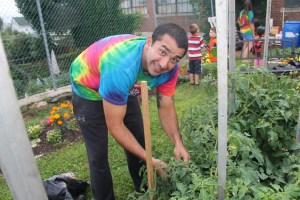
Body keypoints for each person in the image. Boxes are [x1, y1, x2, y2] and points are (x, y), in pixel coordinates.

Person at [69, 23, 190, 200]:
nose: (165, 64)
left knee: (138, 139)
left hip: (124, 85)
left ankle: (143, 190)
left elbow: (166, 107)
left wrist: (178, 143)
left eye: (174, 59)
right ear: (149, 41)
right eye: (163, 51)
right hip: (88, 87)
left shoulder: (169, 69)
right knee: (98, 155)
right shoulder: (120, 66)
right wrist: (150, 160)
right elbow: (116, 126)